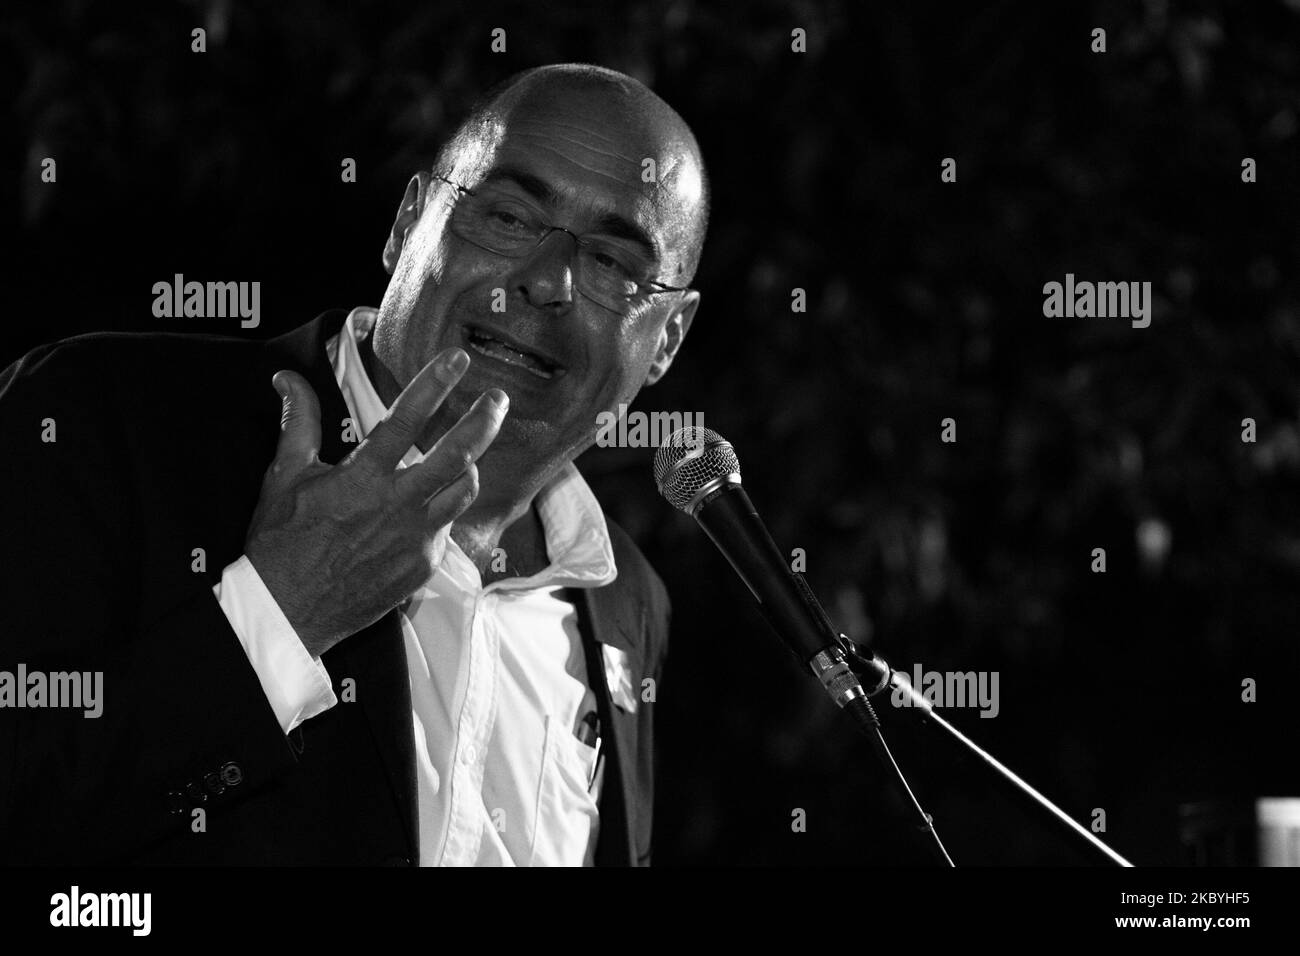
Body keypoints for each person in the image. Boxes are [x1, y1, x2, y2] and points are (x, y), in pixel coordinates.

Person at [0, 62, 709, 866]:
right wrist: (280, 614)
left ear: (668, 340)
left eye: (614, 264)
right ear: (408, 224)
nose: (547, 281)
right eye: (509, 217)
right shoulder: (104, 420)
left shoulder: (627, 602)